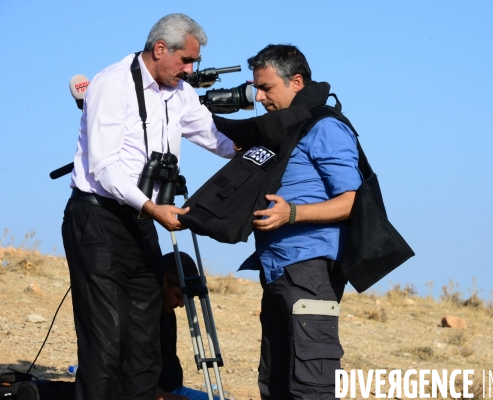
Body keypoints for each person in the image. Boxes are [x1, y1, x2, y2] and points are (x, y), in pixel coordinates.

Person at [61, 14, 235, 400]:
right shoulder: (112, 84)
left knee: (145, 347)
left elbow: (216, 139)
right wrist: (153, 208)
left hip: (140, 223)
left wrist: (260, 145)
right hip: (97, 219)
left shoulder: (180, 91)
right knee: (105, 345)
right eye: (187, 60)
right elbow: (103, 166)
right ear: (160, 49)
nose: (191, 70)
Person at [240, 45, 363, 400]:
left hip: (310, 271)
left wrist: (291, 213)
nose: (259, 98)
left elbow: (352, 200)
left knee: (313, 384)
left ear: (296, 81)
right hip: (277, 270)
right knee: (276, 381)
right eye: (256, 88)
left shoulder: (325, 126)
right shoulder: (283, 131)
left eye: (266, 88)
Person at [156, 252, 222, 400]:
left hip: (175, 390)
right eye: (178, 295)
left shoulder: (167, 312)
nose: (181, 304)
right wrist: (162, 396)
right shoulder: (141, 314)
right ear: (163, 281)